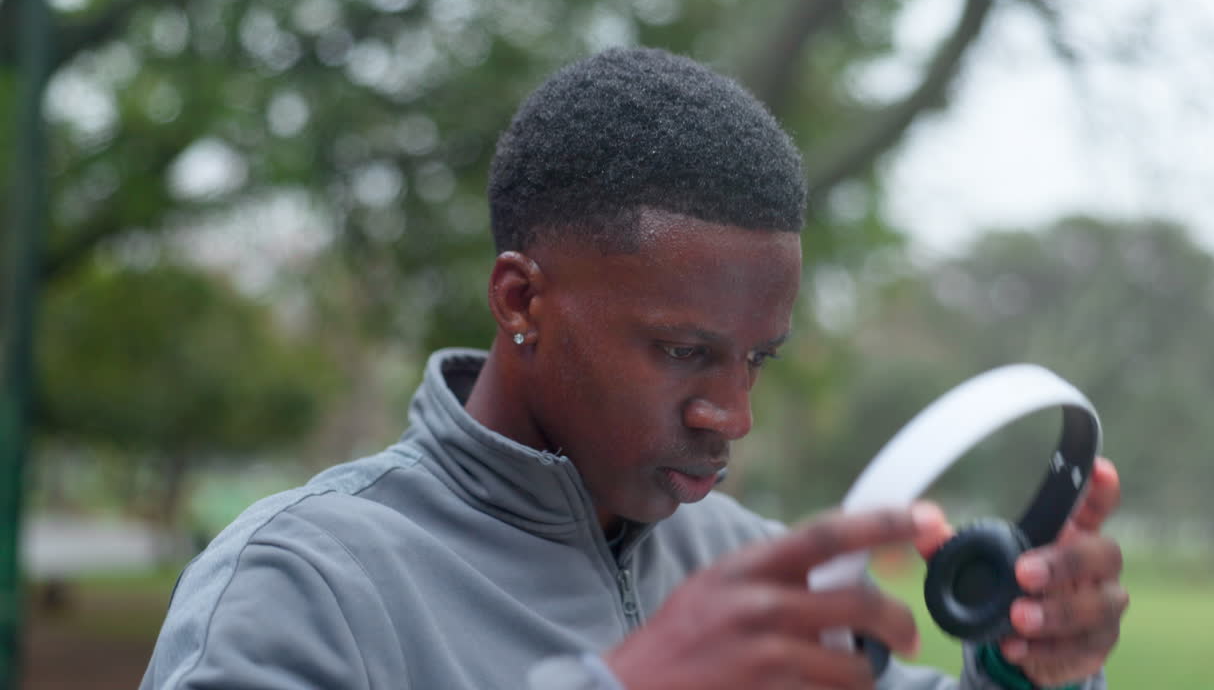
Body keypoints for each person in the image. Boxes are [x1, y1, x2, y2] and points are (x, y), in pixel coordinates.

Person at [141, 47, 1127, 690]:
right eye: (683, 351)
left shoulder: (748, 563)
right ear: (521, 300)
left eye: (756, 361)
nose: (730, 414)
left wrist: (1026, 669)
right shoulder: (297, 584)